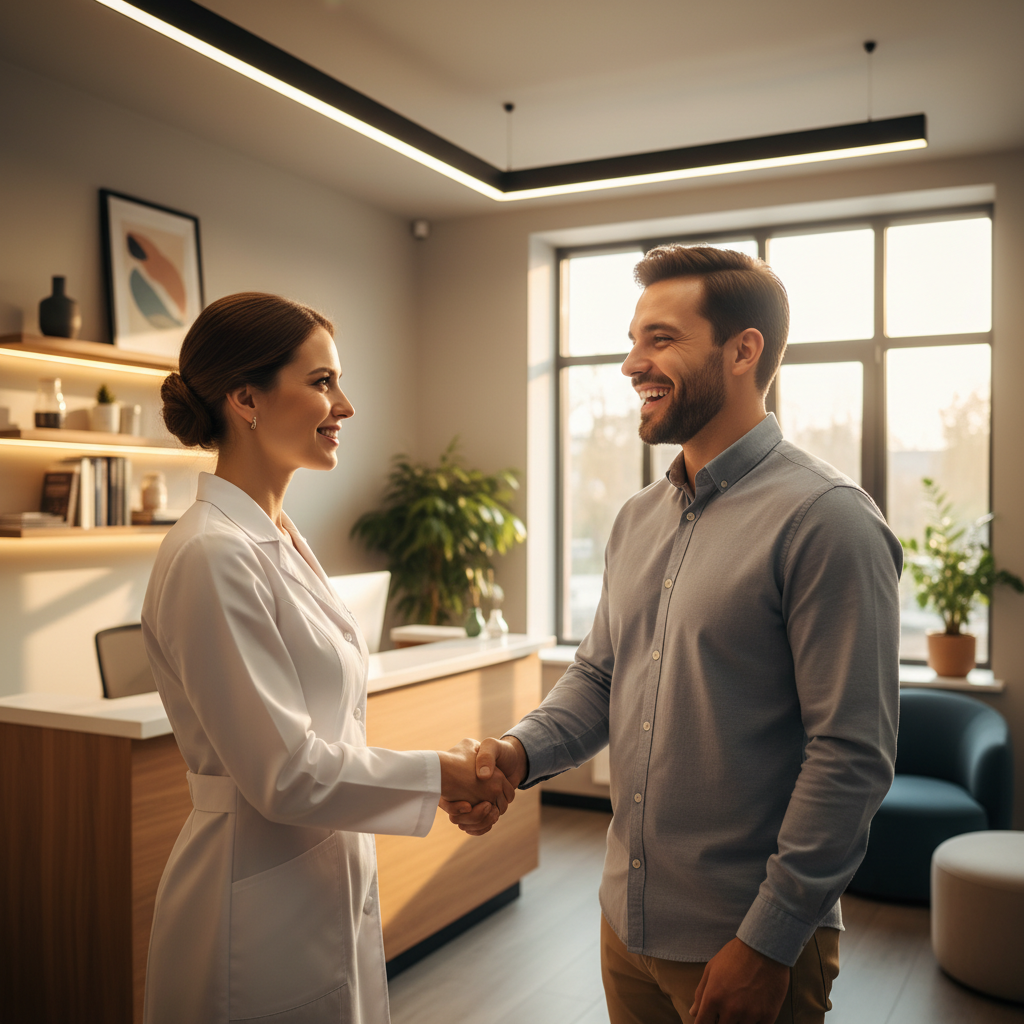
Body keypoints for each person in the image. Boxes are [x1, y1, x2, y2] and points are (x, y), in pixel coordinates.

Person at [444, 246, 902, 1024]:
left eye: (659, 339)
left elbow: (851, 757)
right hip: (626, 925)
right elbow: (598, 677)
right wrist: (516, 754)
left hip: (746, 944)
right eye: (632, 340)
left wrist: (768, 942)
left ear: (742, 350)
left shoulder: (828, 519)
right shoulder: (636, 519)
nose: (631, 364)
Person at [141, 292, 513, 1024]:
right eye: (321, 383)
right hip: (247, 901)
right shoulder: (211, 554)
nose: (345, 406)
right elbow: (284, 772)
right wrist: (442, 774)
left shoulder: (279, 539)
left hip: (318, 876)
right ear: (246, 398)